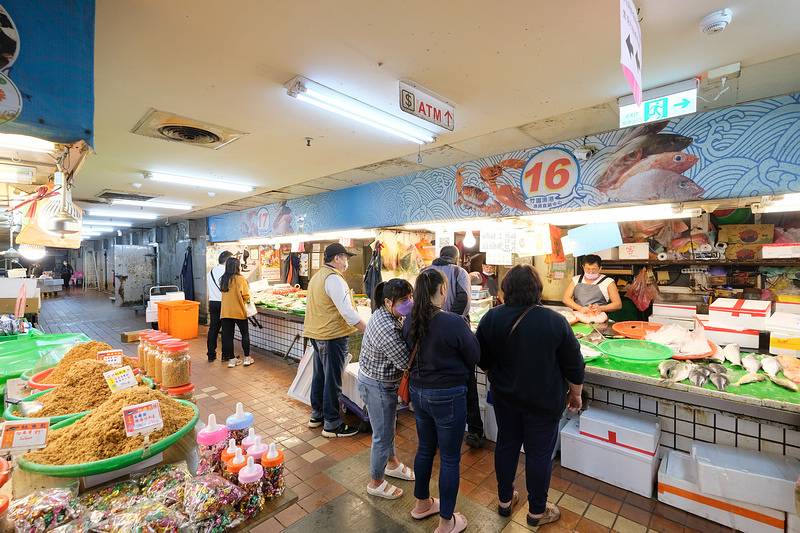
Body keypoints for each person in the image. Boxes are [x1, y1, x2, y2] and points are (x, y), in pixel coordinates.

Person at [476, 264, 585, 527]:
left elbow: (481, 357)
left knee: (506, 445)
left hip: (505, 399)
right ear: (538, 289)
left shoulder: (491, 317)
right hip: (544, 402)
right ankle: (537, 512)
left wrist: (498, 376)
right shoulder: (554, 320)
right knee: (538, 455)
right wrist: (576, 393)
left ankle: (504, 501)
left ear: (506, 290)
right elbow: (574, 364)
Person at [402, 268, 480, 533]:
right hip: (448, 396)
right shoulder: (453, 321)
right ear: (443, 291)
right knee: (449, 459)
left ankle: (422, 504)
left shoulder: (409, 318)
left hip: (418, 393)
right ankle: (447, 521)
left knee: (425, 449)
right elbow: (474, 355)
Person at [358, 278, 415, 500]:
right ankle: (376, 481)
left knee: (388, 426)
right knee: (382, 435)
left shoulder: (388, 314)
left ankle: (391, 463)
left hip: (379, 382)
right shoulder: (387, 327)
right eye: (403, 300)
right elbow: (404, 362)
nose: (408, 303)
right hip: (377, 386)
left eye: (410, 297)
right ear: (389, 301)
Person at [304, 243, 367, 438]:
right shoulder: (334, 279)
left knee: (320, 376)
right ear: (336, 258)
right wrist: (368, 329)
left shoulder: (317, 276)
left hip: (317, 334)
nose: (347, 261)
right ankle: (332, 423)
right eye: (345, 257)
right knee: (332, 379)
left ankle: (317, 415)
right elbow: (347, 312)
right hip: (332, 336)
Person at [425, 245, 484, 448]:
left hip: (427, 334)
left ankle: (437, 431)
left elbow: (418, 301)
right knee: (468, 381)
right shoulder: (460, 272)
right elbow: (464, 301)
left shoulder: (424, 272)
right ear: (456, 258)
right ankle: (474, 431)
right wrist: (450, 322)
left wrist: (433, 321)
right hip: (455, 333)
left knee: (435, 379)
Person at [219, 257, 253, 367]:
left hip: (225, 312)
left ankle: (232, 360)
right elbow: (246, 295)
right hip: (239, 311)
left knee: (228, 336)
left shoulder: (223, 279)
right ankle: (247, 358)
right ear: (237, 266)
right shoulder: (240, 279)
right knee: (244, 334)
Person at [207, 250, 232, 362]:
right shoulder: (227, 273)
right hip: (224, 303)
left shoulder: (210, 272)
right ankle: (225, 355)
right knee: (226, 329)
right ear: (227, 261)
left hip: (213, 303)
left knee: (213, 329)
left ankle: (211, 354)